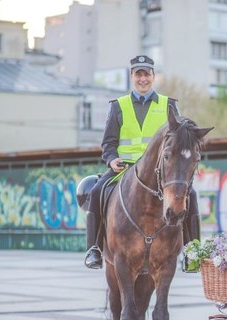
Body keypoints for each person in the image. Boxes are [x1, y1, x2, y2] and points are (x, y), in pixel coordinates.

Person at [83, 55, 201, 269]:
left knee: (190, 194)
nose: (143, 79)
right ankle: (94, 249)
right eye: (138, 74)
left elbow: (181, 140)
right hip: (125, 168)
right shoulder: (118, 106)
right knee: (97, 190)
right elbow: (108, 143)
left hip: (160, 172)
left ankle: (192, 251)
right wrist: (111, 160)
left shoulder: (169, 105)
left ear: (153, 76)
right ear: (132, 76)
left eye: (147, 74)